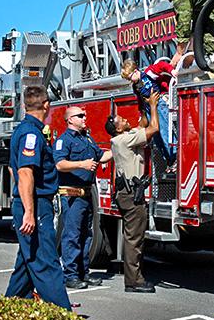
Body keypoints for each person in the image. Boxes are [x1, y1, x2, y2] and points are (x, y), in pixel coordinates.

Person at [5, 85, 71, 310]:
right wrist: (30, 213)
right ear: (46, 105)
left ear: (24, 106)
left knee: (27, 263)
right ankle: (64, 317)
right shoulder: (31, 134)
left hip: (31, 203)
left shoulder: (25, 130)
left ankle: (12, 309)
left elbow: (14, 170)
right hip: (35, 204)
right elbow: (24, 172)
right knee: (46, 263)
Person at [104, 90, 160, 293]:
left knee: (133, 238)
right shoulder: (123, 140)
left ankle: (134, 278)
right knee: (134, 240)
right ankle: (134, 281)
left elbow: (143, 124)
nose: (125, 119)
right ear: (117, 128)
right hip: (131, 195)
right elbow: (153, 127)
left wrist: (142, 102)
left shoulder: (123, 138)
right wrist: (153, 105)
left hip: (126, 194)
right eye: (120, 119)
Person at [54, 106, 112, 289]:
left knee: (86, 235)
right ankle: (70, 275)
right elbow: (60, 164)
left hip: (86, 194)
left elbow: (101, 156)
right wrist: (82, 164)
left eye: (84, 115)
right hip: (71, 194)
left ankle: (83, 273)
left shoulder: (86, 138)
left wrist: (123, 145)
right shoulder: (63, 140)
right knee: (72, 235)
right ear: (70, 119)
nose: (84, 118)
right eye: (80, 116)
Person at [121, 59, 177, 170]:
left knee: (164, 131)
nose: (130, 81)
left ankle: (175, 157)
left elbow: (161, 65)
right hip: (149, 108)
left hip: (158, 104)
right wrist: (141, 114)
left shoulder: (149, 73)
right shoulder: (135, 86)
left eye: (130, 77)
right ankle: (169, 160)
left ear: (136, 71)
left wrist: (172, 71)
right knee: (156, 137)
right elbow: (140, 101)